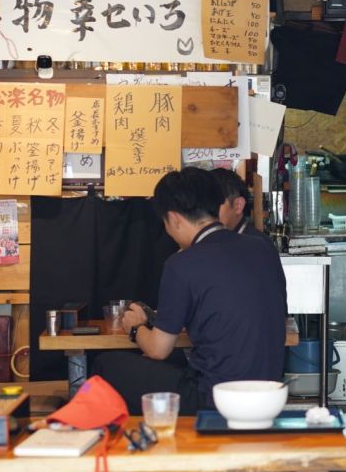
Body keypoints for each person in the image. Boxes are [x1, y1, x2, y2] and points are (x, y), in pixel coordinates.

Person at [92, 167, 287, 415]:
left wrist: (136, 327)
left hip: (215, 397)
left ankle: (145, 436)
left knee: (106, 364)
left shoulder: (181, 263)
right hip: (269, 393)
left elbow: (158, 349)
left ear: (174, 219)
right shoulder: (262, 248)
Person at [211, 167, 271, 242]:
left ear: (238, 205)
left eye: (213, 204)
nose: (204, 213)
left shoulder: (258, 245)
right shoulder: (211, 240)